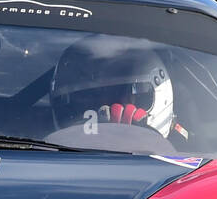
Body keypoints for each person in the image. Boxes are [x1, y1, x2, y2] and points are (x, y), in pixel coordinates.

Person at [49, 34, 188, 141]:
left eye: (117, 92)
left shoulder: (189, 161)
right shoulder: (39, 147)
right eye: (89, 95)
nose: (103, 109)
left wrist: (143, 140)